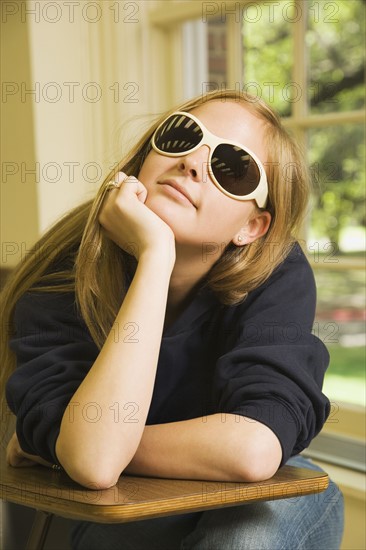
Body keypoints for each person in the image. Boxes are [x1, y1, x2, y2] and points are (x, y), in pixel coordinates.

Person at [1, 89, 344, 549]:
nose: (193, 164)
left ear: (252, 227)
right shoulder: (66, 270)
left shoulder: (277, 271)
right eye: (183, 137)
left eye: (232, 167)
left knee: (251, 533)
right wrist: (155, 258)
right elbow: (98, 466)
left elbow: (253, 450)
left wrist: (77, 443)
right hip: (120, 504)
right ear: (147, 156)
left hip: (250, 496)